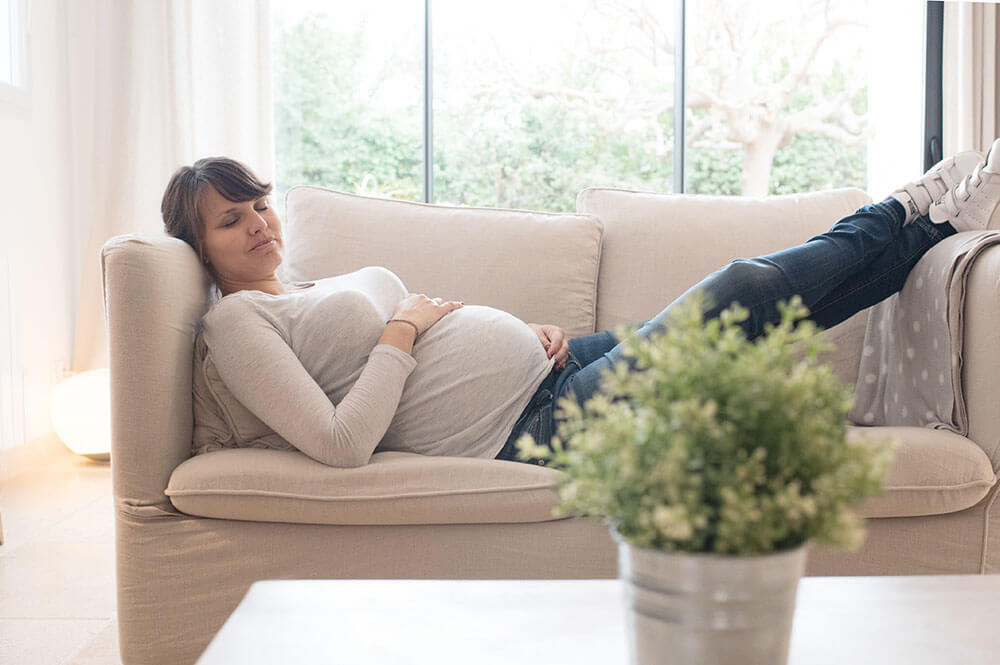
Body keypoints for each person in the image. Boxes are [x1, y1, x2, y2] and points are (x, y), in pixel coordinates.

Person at [161, 140, 1000, 467]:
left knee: (752, 318)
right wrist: (404, 329)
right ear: (201, 250)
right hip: (537, 425)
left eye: (259, 204)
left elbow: (417, 348)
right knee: (744, 290)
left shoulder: (298, 288)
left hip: (550, 370)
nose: (259, 226)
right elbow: (339, 443)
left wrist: (518, 331)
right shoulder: (235, 324)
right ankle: (902, 209)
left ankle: (936, 229)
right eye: (231, 222)